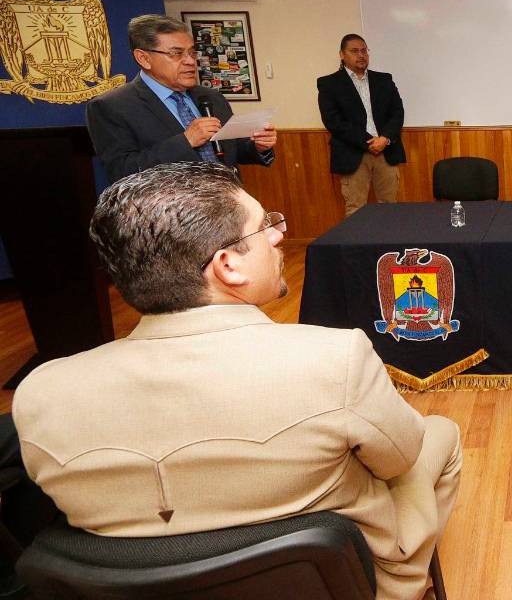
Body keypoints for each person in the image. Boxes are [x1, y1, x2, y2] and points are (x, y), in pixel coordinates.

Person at [12, 162, 460, 600]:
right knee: (441, 433)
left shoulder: (42, 391)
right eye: (265, 226)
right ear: (228, 266)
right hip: (329, 583)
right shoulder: (335, 358)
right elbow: (399, 459)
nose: (279, 235)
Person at [86, 14, 277, 182]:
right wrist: (186, 141)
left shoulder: (211, 97)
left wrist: (257, 146)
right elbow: (122, 172)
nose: (190, 61)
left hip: (229, 203)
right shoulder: (111, 106)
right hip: (172, 210)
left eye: (192, 52)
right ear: (143, 58)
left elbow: (231, 150)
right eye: (176, 54)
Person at [317, 34, 406, 217]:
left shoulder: (384, 80)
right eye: (354, 51)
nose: (361, 55)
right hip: (353, 153)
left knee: (389, 207)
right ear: (342, 55)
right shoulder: (329, 84)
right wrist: (368, 142)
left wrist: (384, 139)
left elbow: (397, 112)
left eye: (364, 51)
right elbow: (333, 121)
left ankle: (387, 238)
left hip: (385, 150)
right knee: (356, 209)